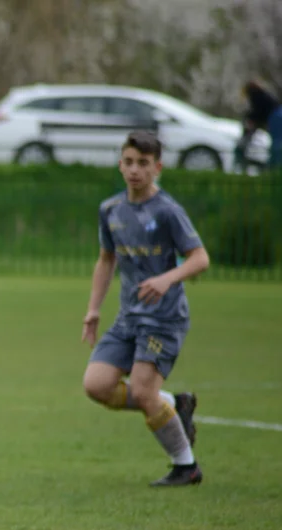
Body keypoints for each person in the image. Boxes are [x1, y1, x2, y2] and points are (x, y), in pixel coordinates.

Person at [82, 130, 211, 488]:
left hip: (164, 318)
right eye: (128, 162)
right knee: (96, 386)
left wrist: (168, 279)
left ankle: (186, 466)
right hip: (129, 318)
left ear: (157, 167)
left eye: (143, 163)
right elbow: (106, 260)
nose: (134, 170)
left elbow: (200, 259)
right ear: (119, 164)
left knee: (141, 391)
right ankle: (173, 404)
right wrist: (93, 310)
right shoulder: (110, 210)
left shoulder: (168, 211)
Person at [240, 79, 282, 169]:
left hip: (275, 117)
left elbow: (257, 112)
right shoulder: (262, 94)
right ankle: (275, 166)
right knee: (278, 142)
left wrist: (250, 121)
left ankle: (275, 167)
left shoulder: (256, 96)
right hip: (278, 114)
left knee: (277, 144)